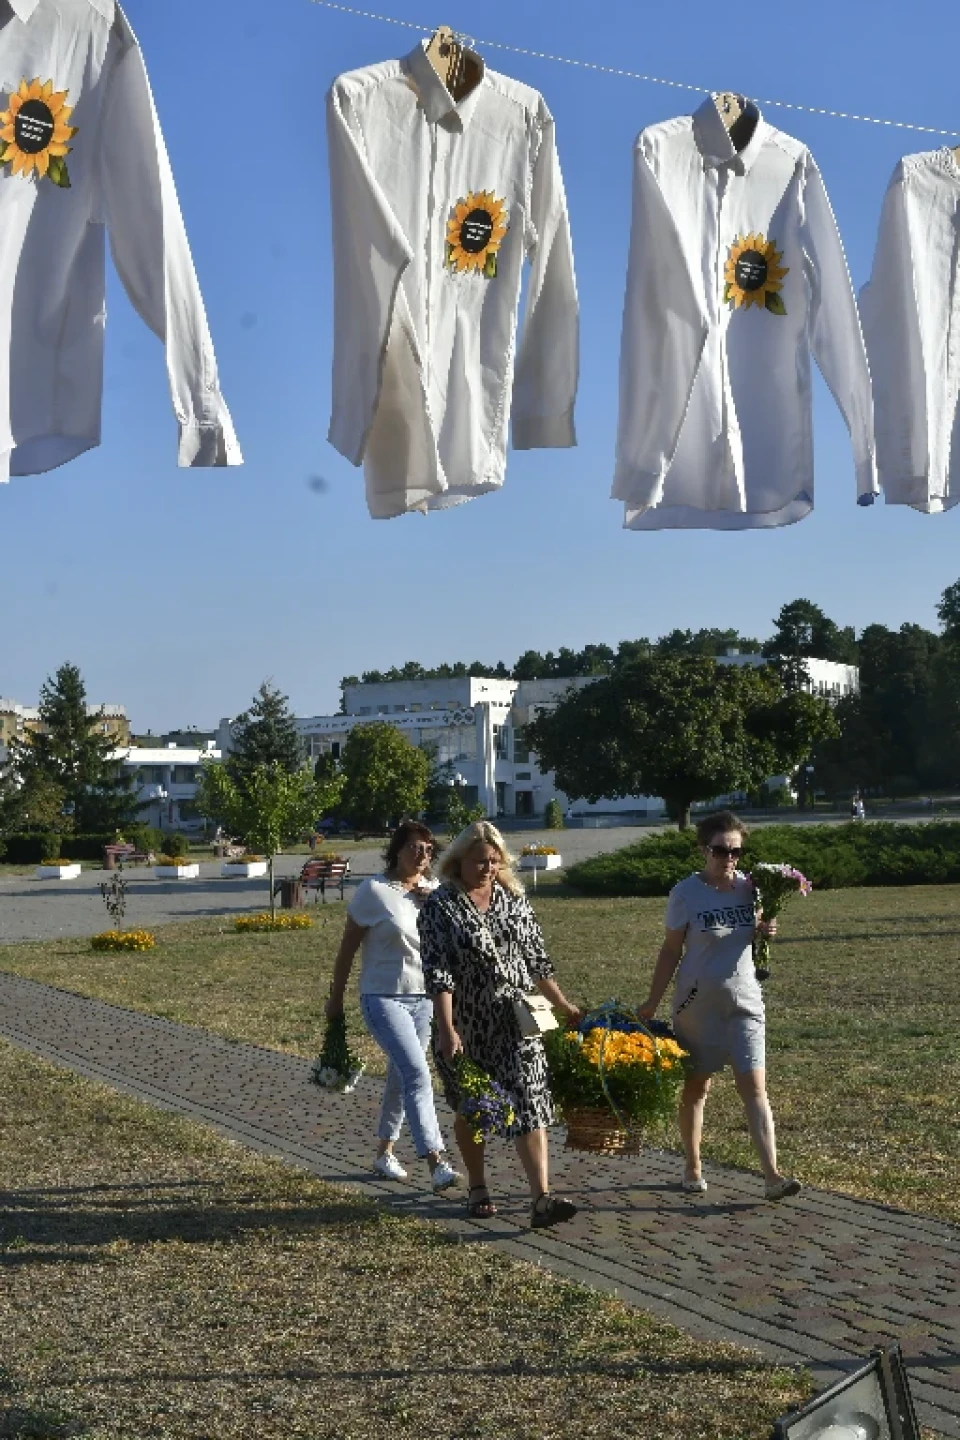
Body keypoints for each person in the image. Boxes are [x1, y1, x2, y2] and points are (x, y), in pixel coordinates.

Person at [418, 820, 582, 1228]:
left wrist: (561, 1003)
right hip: (468, 1022)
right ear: (459, 862)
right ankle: (477, 1184)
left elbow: (537, 959)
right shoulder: (442, 906)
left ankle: (541, 1198)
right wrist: (447, 1028)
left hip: (518, 1018)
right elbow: (438, 973)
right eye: (479, 861)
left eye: (494, 861)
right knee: (474, 1107)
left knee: (531, 1100)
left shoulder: (514, 899)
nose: (488, 869)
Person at [638, 810, 801, 1203]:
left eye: (736, 852)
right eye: (720, 850)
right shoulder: (685, 894)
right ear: (703, 849)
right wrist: (652, 1002)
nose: (729, 859)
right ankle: (692, 1165)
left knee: (755, 1088)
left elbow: (752, 934)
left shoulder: (752, 889)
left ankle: (772, 1176)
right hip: (696, 1006)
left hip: (744, 1002)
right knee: (697, 1087)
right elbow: (671, 950)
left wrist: (765, 930)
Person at [325, 819, 459, 1192]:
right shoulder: (375, 891)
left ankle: (384, 1152)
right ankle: (437, 1161)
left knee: (402, 1077)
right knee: (418, 1073)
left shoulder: (434, 892)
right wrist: (335, 999)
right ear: (397, 850)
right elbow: (347, 949)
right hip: (382, 997)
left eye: (428, 849)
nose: (422, 855)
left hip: (424, 999)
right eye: (415, 847)